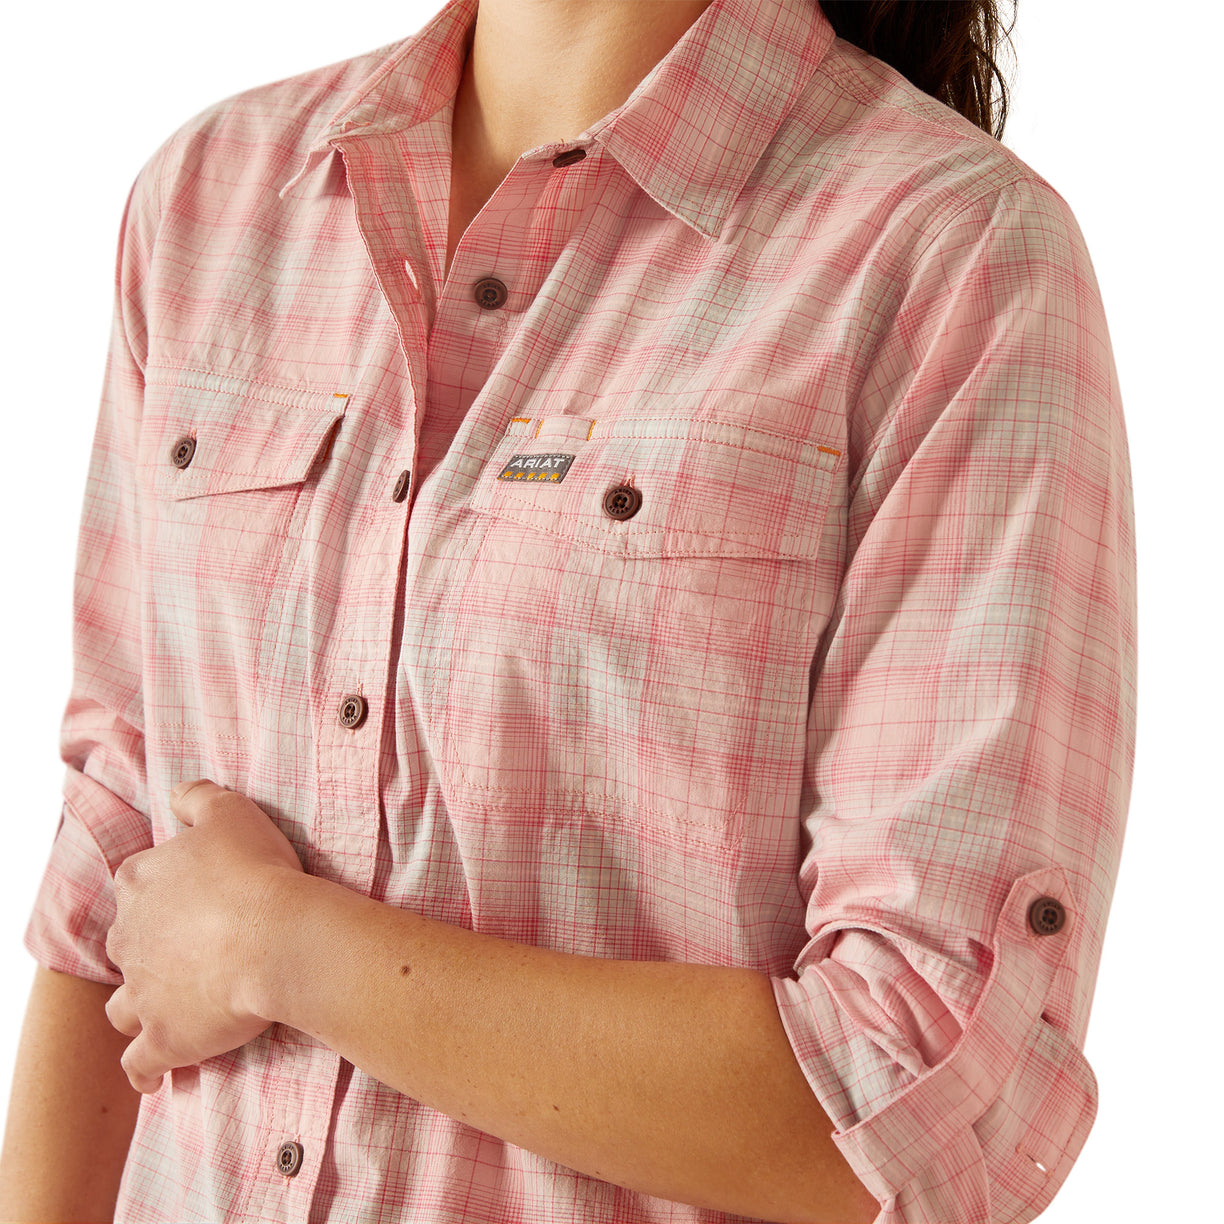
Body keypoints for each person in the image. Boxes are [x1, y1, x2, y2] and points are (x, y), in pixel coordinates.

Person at [0, 0, 1137, 1220]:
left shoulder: (951, 259)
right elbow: (115, 850)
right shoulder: (210, 198)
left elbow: (915, 1085)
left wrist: (284, 949)